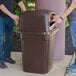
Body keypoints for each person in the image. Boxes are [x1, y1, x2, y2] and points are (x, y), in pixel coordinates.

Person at [0, 0, 26, 69]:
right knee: (0, 39)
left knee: (9, 38)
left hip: (10, 17)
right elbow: (1, 6)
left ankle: (7, 57)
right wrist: (13, 16)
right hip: (1, 18)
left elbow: (19, 1)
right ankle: (0, 61)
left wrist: (26, 13)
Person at [53, 0, 76, 74]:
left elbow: (73, 5)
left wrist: (61, 18)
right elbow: (68, 6)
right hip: (73, 20)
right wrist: (59, 15)